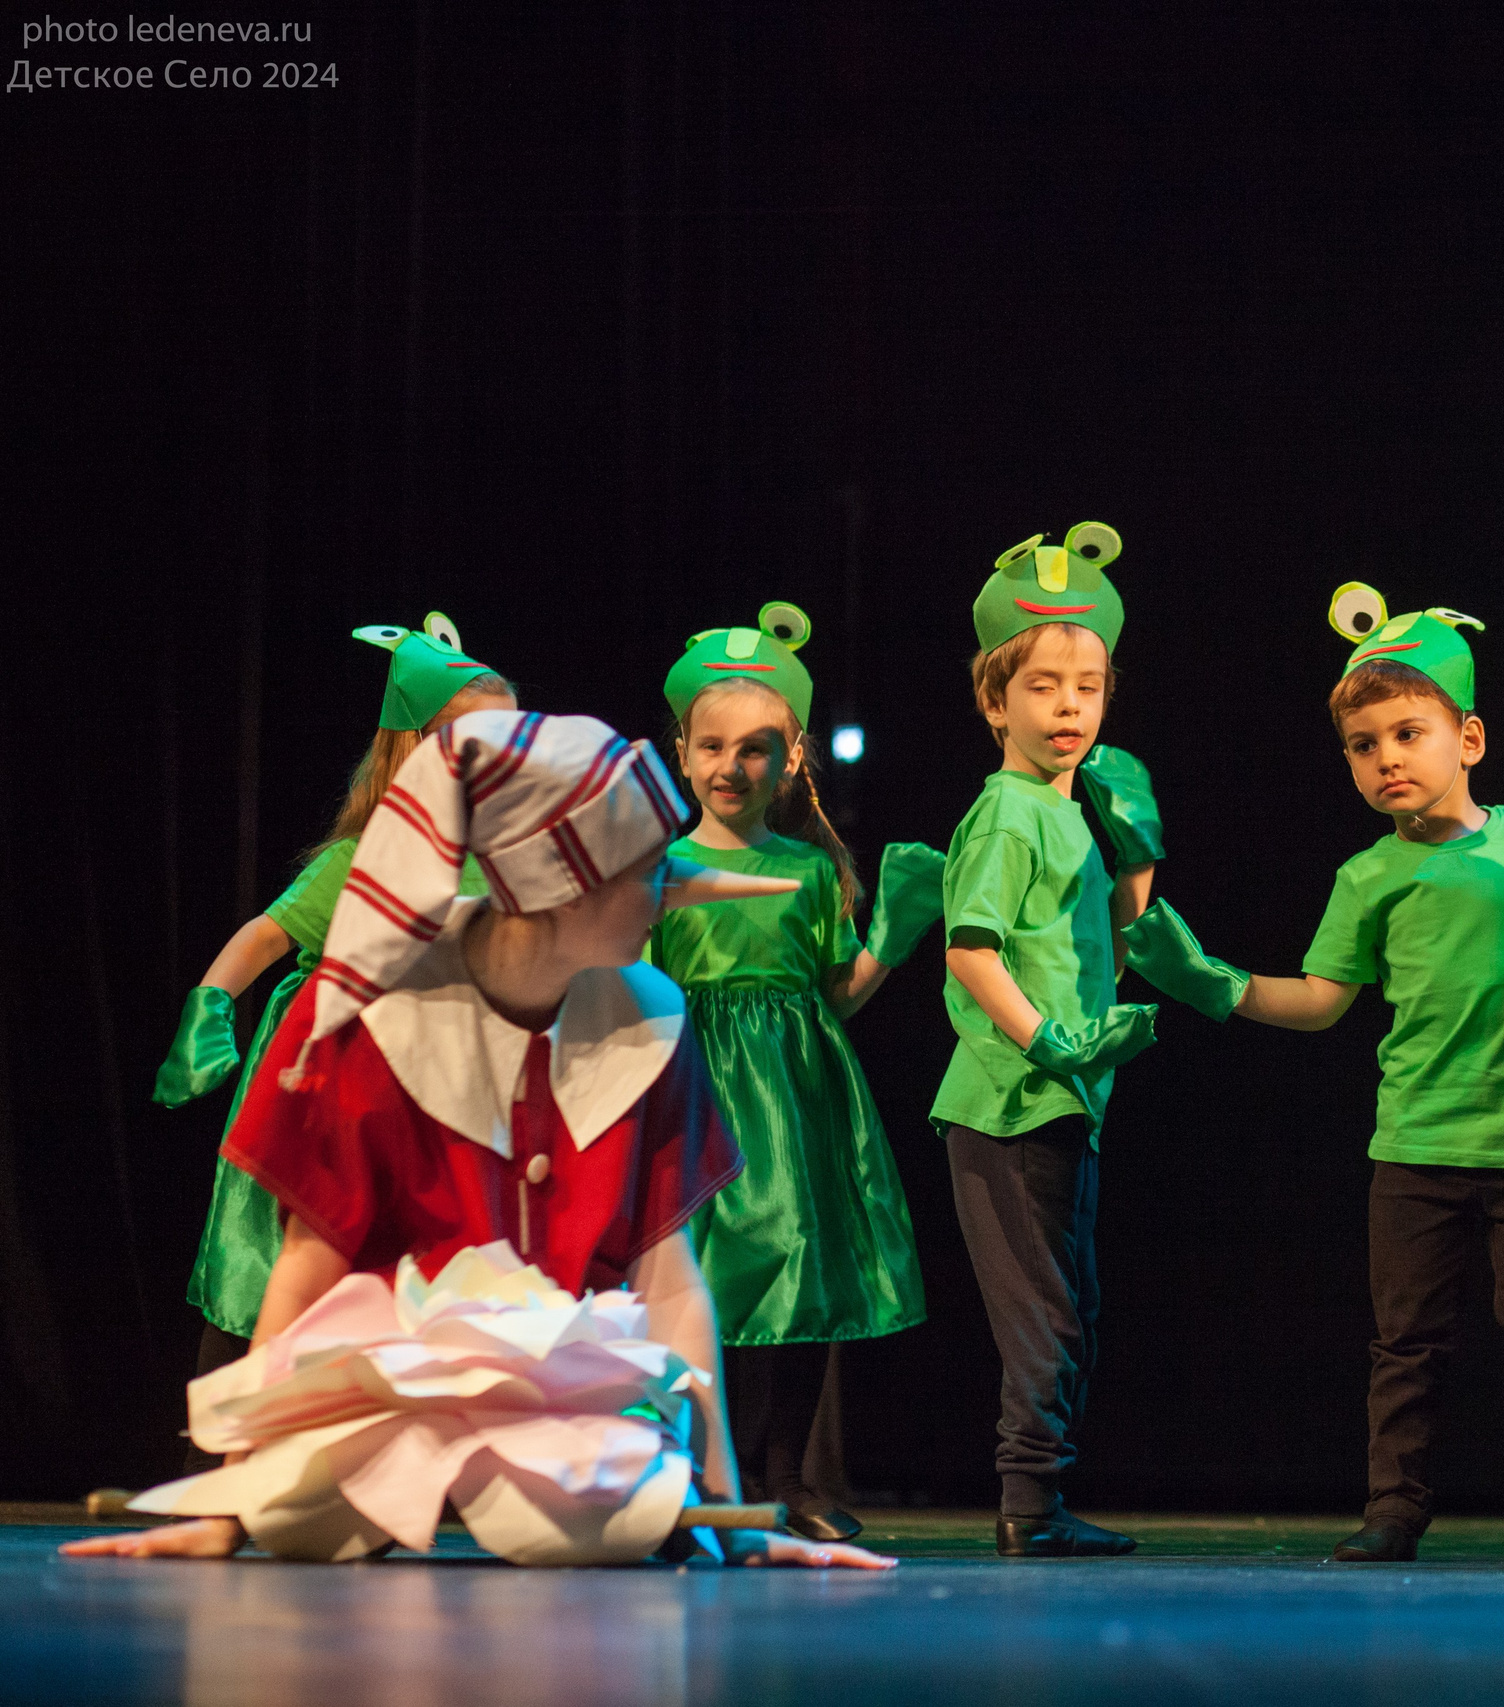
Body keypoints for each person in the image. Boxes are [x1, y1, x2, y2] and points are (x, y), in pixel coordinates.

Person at [66, 712, 888, 1569]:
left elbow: (669, 1276)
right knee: (298, 1516)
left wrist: (726, 1513)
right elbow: (309, 1258)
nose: (670, 895)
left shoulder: (651, 1017)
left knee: (604, 1527)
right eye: (649, 873)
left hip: (558, 1384)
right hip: (380, 1363)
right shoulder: (372, 1010)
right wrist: (226, 1503)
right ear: (561, 889)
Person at [1122, 583, 1504, 1566]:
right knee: (1407, 1350)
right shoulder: (1367, 878)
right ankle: (1394, 1510)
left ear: (1466, 739)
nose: (1386, 758)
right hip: (1416, 1147)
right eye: (1363, 744)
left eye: (1407, 733)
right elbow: (1321, 998)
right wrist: (1214, 985)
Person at [149, 615, 514, 1389]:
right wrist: (209, 1010)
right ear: (418, 755)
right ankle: (213, 1457)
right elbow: (262, 938)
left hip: (425, 1094)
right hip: (321, 1086)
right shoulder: (359, 860)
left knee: (397, 1276)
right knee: (269, 1259)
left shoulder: (500, 872)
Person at [651, 603, 936, 1543]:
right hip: (692, 1088)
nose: (732, 766)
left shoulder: (812, 872)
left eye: (757, 749)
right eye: (713, 747)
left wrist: (891, 939)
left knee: (800, 1270)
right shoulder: (659, 868)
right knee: (703, 1276)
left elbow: (836, 991)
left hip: (797, 1094)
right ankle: (690, 1473)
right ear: (683, 753)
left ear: (791, 758)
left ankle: (787, 1477)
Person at [933, 524, 1165, 1557]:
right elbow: (969, 953)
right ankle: (1029, 1502)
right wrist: (1048, 1044)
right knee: (1043, 1315)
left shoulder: (1073, 813)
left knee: (1075, 1308)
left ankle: (1044, 1495)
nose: (1069, 705)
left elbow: (1123, 934)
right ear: (994, 701)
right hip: (1009, 1096)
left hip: (1067, 1098)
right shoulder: (1004, 814)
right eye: (1042, 687)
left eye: (1088, 685)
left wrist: (1136, 846)